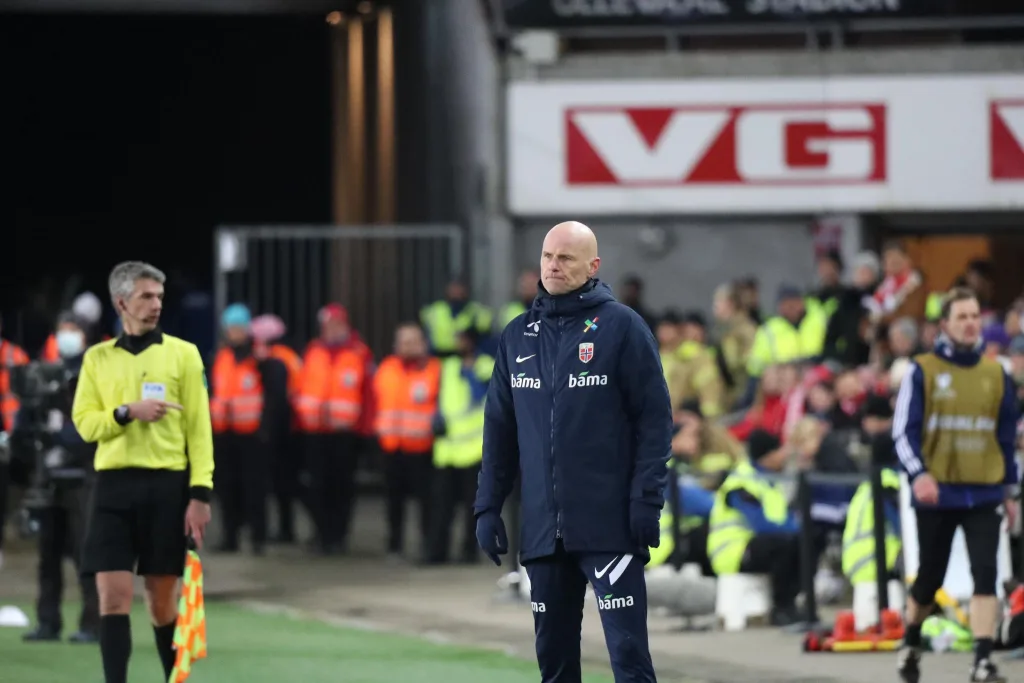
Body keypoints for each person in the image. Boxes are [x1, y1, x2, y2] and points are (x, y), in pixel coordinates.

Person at [474, 221, 671, 683]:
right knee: (556, 667)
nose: (553, 265)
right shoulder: (518, 335)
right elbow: (498, 430)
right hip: (543, 531)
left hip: (610, 527)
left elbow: (655, 421)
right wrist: (487, 506)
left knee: (629, 659)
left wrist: (646, 499)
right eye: (547, 256)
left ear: (593, 265)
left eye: (565, 257)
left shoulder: (622, 327)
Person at [72, 261, 214, 683]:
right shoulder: (97, 359)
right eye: (146, 297)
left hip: (166, 487)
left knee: (161, 604)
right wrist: (125, 413)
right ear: (121, 303)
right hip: (114, 488)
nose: (156, 305)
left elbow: (200, 431)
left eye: (159, 297)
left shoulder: (184, 354)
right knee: (112, 600)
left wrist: (200, 494)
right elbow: (85, 424)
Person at [892, 287, 1020, 683]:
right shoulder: (923, 370)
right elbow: (903, 432)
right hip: (938, 491)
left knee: (986, 573)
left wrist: (1009, 490)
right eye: (961, 317)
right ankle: (911, 639)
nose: (969, 323)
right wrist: (919, 475)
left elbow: (1004, 438)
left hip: (982, 490)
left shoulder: (997, 374)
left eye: (975, 316)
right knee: (930, 577)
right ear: (944, 325)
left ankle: (982, 661)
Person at [15, 312, 100, 643]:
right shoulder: (44, 373)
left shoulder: (96, 373)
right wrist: (27, 435)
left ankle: (93, 623)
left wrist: (62, 438)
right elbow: (29, 414)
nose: (66, 336)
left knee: (85, 552)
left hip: (83, 475)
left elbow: (95, 424)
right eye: (62, 329)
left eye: (74, 330)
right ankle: (48, 621)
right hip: (49, 474)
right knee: (47, 554)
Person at [296, 303, 376, 555]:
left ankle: (338, 536)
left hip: (345, 433)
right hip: (315, 431)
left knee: (342, 487)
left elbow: (369, 394)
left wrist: (365, 429)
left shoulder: (359, 353)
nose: (331, 329)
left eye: (336, 324)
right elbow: (302, 388)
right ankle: (321, 533)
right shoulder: (313, 351)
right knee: (317, 485)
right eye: (327, 325)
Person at [210, 304, 289, 556]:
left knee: (255, 488)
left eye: (240, 328)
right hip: (224, 432)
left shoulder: (261, 359)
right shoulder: (220, 357)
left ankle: (258, 538)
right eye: (231, 328)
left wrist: (266, 428)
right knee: (227, 487)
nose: (235, 332)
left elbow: (274, 396)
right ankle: (230, 536)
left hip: (252, 434)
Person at [706, 429, 803, 626]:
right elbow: (760, 524)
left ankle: (790, 605)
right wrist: (792, 530)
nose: (784, 455)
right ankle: (782, 608)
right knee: (783, 545)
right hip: (732, 552)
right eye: (780, 450)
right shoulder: (740, 483)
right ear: (768, 455)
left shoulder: (769, 481)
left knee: (804, 543)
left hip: (753, 545)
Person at [426, 327, 493, 564]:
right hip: (447, 450)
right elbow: (439, 396)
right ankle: (436, 552)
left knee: (472, 508)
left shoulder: (486, 365)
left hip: (474, 449)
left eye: (462, 339)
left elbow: (486, 396)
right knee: (441, 507)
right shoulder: (448, 367)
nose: (458, 343)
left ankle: (469, 552)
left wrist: (473, 375)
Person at [374, 322, 440, 560]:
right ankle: (394, 545)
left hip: (422, 448)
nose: (408, 346)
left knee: (426, 502)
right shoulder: (386, 368)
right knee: (393, 502)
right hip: (391, 446)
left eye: (413, 341)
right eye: (403, 341)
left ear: (423, 343)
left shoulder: (434, 369)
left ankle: (426, 545)